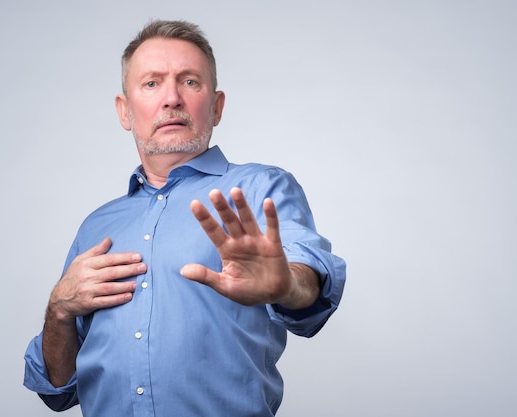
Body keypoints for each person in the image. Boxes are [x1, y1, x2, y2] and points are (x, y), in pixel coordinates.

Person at [23, 19, 346, 417]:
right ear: (125, 111)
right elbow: (57, 389)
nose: (172, 98)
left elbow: (308, 278)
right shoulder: (96, 227)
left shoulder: (261, 188)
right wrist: (58, 310)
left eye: (190, 81)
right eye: (152, 83)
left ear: (217, 106)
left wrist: (289, 285)